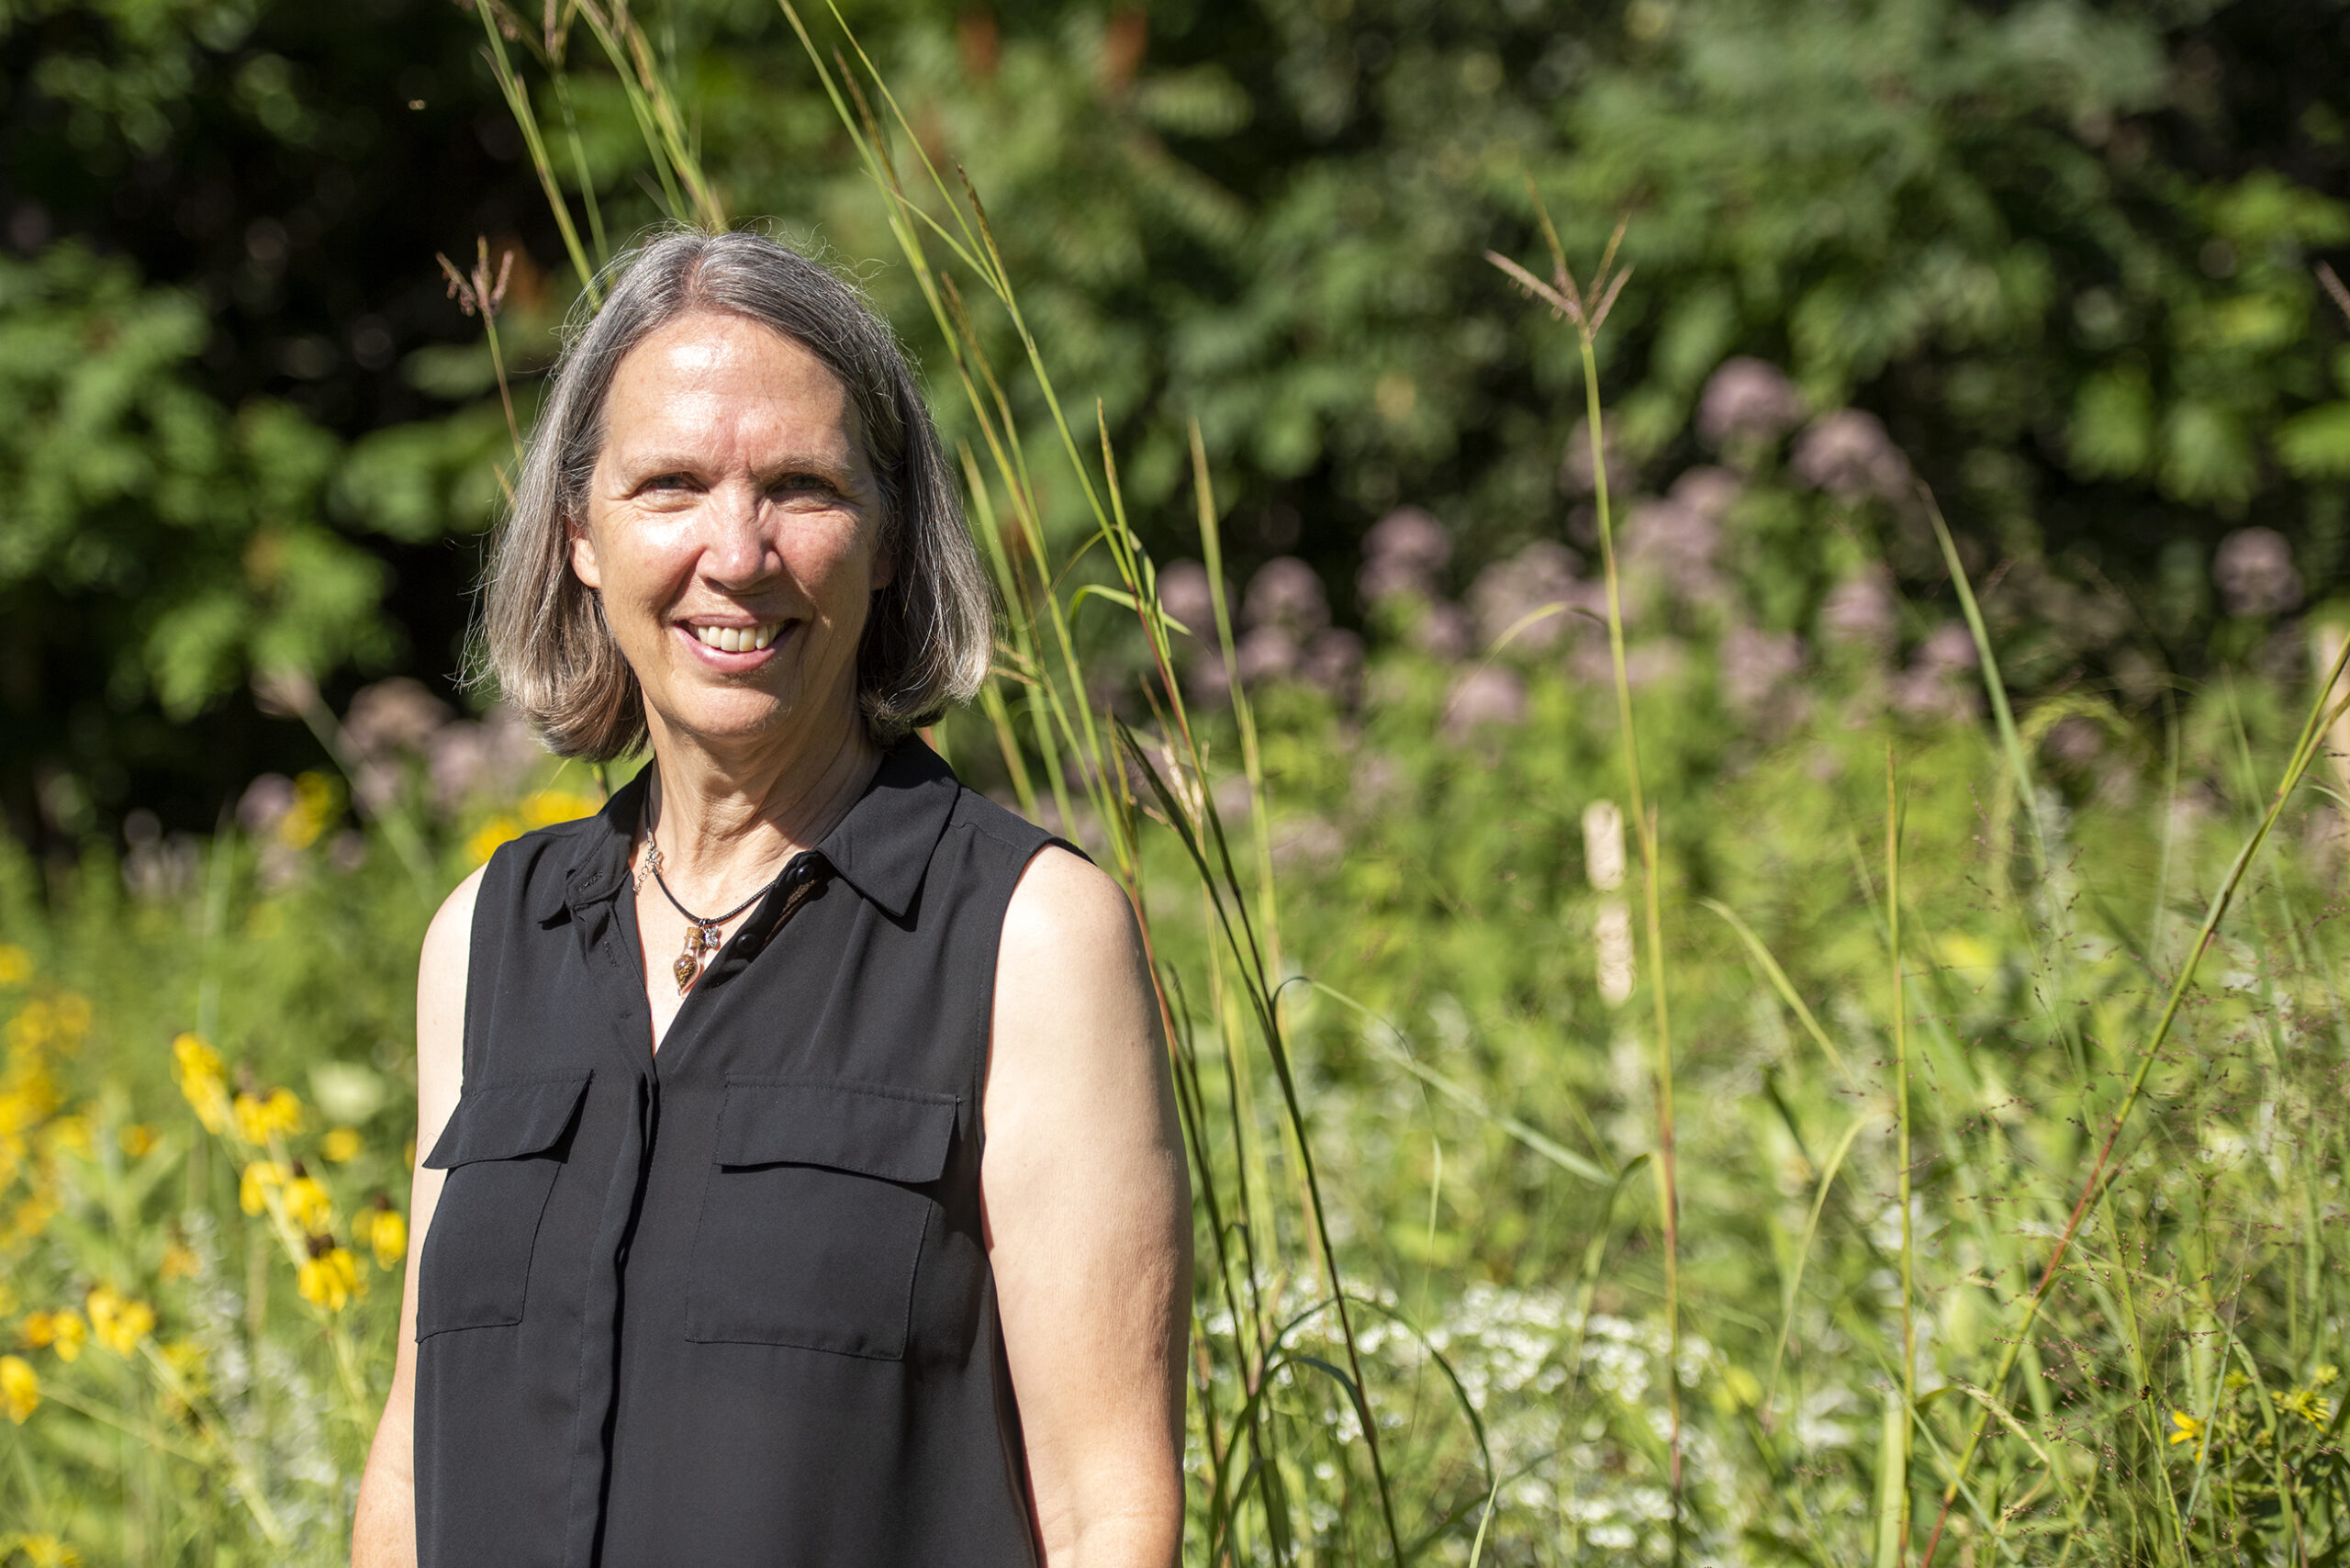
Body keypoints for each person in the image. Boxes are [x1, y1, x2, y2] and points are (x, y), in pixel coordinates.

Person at [350, 229, 1191, 1568]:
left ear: (891, 536)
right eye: (670, 485)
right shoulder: (484, 943)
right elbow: (410, 1464)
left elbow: (1110, 1514)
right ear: (578, 534)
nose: (736, 554)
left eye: (799, 487)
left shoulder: (1029, 939)